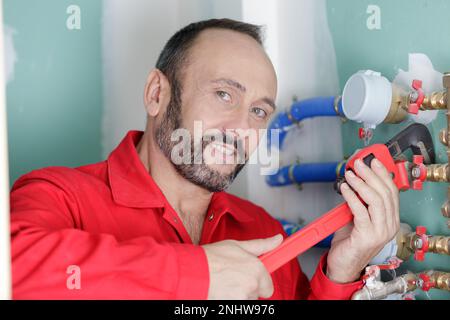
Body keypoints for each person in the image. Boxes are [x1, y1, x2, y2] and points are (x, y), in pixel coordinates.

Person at [10, 19, 399, 299]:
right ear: (156, 94)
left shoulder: (258, 229)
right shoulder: (62, 195)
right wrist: (195, 275)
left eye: (259, 112)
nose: (240, 128)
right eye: (224, 95)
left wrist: (341, 269)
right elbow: (12, 272)